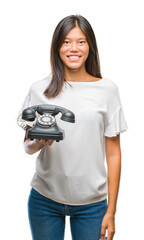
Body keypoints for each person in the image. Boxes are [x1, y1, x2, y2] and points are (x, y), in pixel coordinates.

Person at [17, 14, 128, 240]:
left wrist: (111, 211)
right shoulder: (39, 89)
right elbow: (27, 148)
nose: (73, 48)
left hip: (92, 205)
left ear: (90, 47)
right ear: (57, 47)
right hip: (44, 200)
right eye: (66, 42)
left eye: (81, 41)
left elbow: (114, 153)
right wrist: (39, 141)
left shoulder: (108, 90)